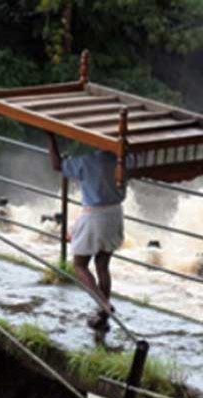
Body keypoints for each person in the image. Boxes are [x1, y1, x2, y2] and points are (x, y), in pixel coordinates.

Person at [48, 134, 126, 331]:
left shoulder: (87, 162)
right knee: (102, 266)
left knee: (79, 265)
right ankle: (102, 316)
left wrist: (51, 139)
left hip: (94, 215)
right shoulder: (124, 161)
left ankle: (103, 304)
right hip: (115, 213)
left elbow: (57, 165)